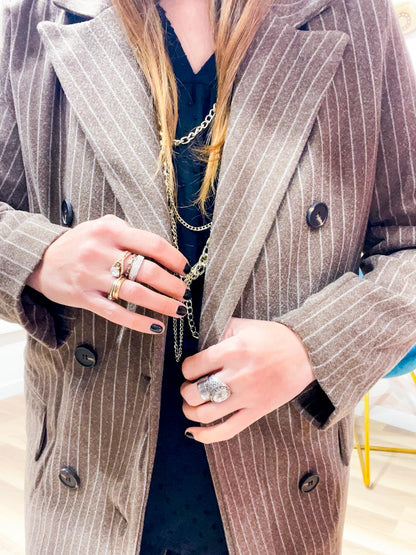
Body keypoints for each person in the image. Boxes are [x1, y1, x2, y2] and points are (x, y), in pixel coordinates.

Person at [1, 0, 416, 553]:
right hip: (86, 484)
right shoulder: (36, 15)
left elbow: (408, 242)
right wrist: (41, 257)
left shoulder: (354, 14)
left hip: (277, 488)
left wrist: (311, 348)